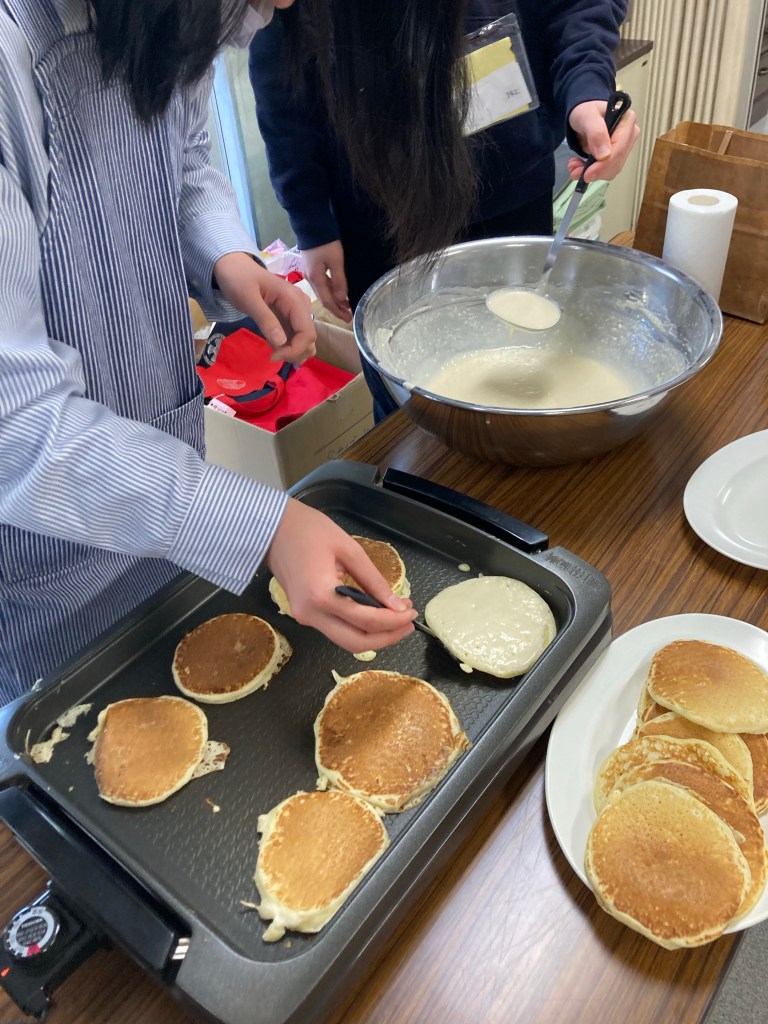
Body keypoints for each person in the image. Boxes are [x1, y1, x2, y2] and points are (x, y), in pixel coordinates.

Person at [0, 0, 419, 704]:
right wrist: (259, 523)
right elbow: (16, 423)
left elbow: (184, 155)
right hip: (48, 574)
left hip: (163, 481)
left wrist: (227, 260)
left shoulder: (158, 18)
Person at [249, 0, 641, 419]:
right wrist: (311, 220)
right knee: (405, 413)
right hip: (378, 216)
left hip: (510, 192)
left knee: (526, 385)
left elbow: (579, 7)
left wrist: (586, 85)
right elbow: (280, 54)